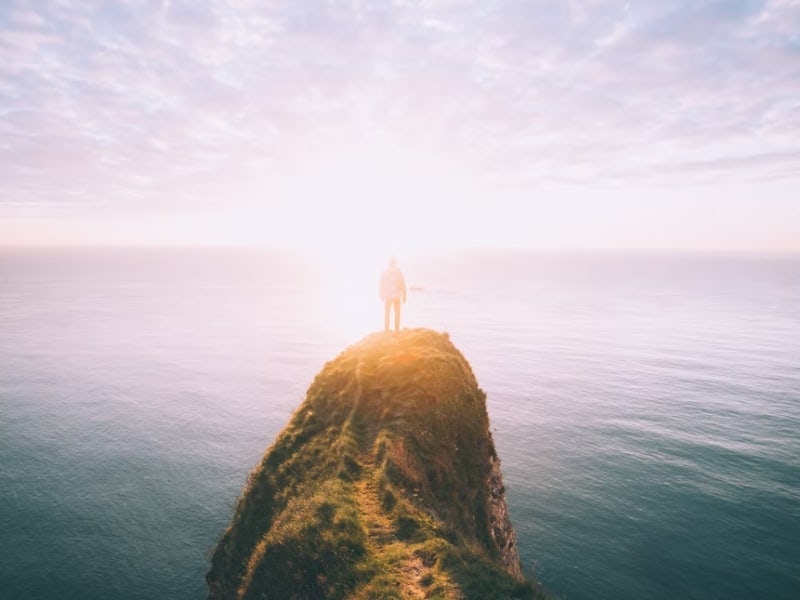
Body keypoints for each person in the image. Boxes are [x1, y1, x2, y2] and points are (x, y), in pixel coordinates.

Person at [380, 257, 407, 332]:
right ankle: (390, 329)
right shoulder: (388, 272)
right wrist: (381, 294)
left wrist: (404, 295)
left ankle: (392, 330)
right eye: (392, 262)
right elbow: (382, 284)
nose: (392, 264)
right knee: (392, 313)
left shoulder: (397, 272)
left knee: (392, 313)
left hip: (394, 295)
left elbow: (403, 283)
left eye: (393, 262)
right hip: (390, 295)